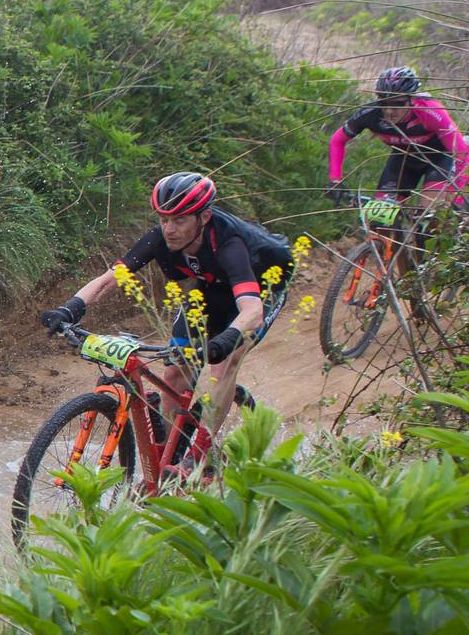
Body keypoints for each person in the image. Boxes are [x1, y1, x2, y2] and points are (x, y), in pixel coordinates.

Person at [39, 173, 291, 472]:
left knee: (224, 364)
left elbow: (251, 311)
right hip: (210, 290)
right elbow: (111, 280)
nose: (169, 229)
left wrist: (223, 342)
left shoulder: (229, 245)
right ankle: (171, 456)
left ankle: (201, 452)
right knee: (174, 373)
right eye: (163, 219)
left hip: (260, 290)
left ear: (204, 216)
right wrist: (70, 308)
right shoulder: (162, 236)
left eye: (180, 220)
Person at [326, 67, 469, 218]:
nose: (389, 111)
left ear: (412, 99)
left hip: (439, 159)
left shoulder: (431, 111)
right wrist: (335, 180)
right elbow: (337, 140)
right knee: (379, 220)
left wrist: (458, 197)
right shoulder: (370, 114)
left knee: (429, 221)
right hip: (403, 160)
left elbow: (464, 154)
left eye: (398, 103)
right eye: (384, 103)